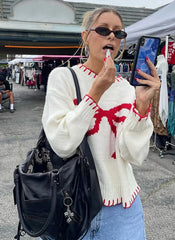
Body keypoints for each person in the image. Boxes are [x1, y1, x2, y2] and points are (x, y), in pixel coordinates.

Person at [41, 7, 160, 240]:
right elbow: (62, 143)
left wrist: (142, 108)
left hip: (124, 208)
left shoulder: (127, 88)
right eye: (103, 29)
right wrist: (95, 93)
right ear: (85, 36)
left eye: (119, 33)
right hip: (74, 204)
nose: (112, 37)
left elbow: (134, 155)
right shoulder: (63, 77)